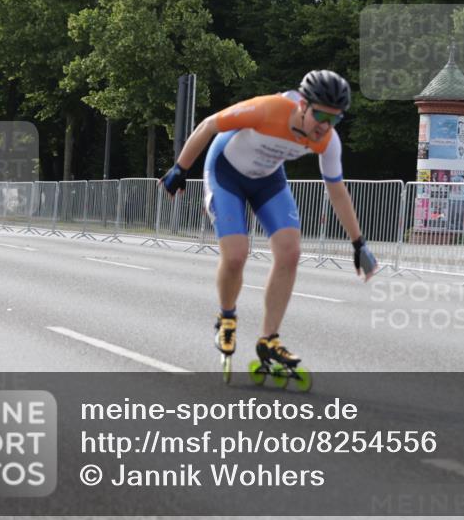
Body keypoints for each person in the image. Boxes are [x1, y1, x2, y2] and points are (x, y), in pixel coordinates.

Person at [160, 70, 378, 372]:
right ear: (302, 104)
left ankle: (269, 340)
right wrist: (180, 169)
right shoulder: (269, 108)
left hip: (267, 180)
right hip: (226, 173)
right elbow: (210, 125)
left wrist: (358, 243)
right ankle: (227, 317)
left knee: (291, 251)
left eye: (335, 119)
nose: (325, 126)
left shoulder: (328, 140)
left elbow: (337, 192)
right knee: (236, 255)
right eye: (320, 115)